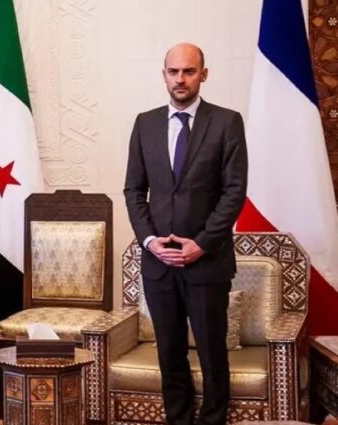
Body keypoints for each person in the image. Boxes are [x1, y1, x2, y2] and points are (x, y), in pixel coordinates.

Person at [124, 43, 248, 425]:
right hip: (159, 265)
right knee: (170, 354)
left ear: (203, 75)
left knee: (212, 355)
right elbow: (134, 190)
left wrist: (202, 244)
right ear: (164, 75)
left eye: (189, 71)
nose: (180, 79)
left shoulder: (227, 122)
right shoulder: (144, 123)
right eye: (173, 71)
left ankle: (212, 420)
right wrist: (150, 241)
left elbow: (234, 192)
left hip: (206, 264)